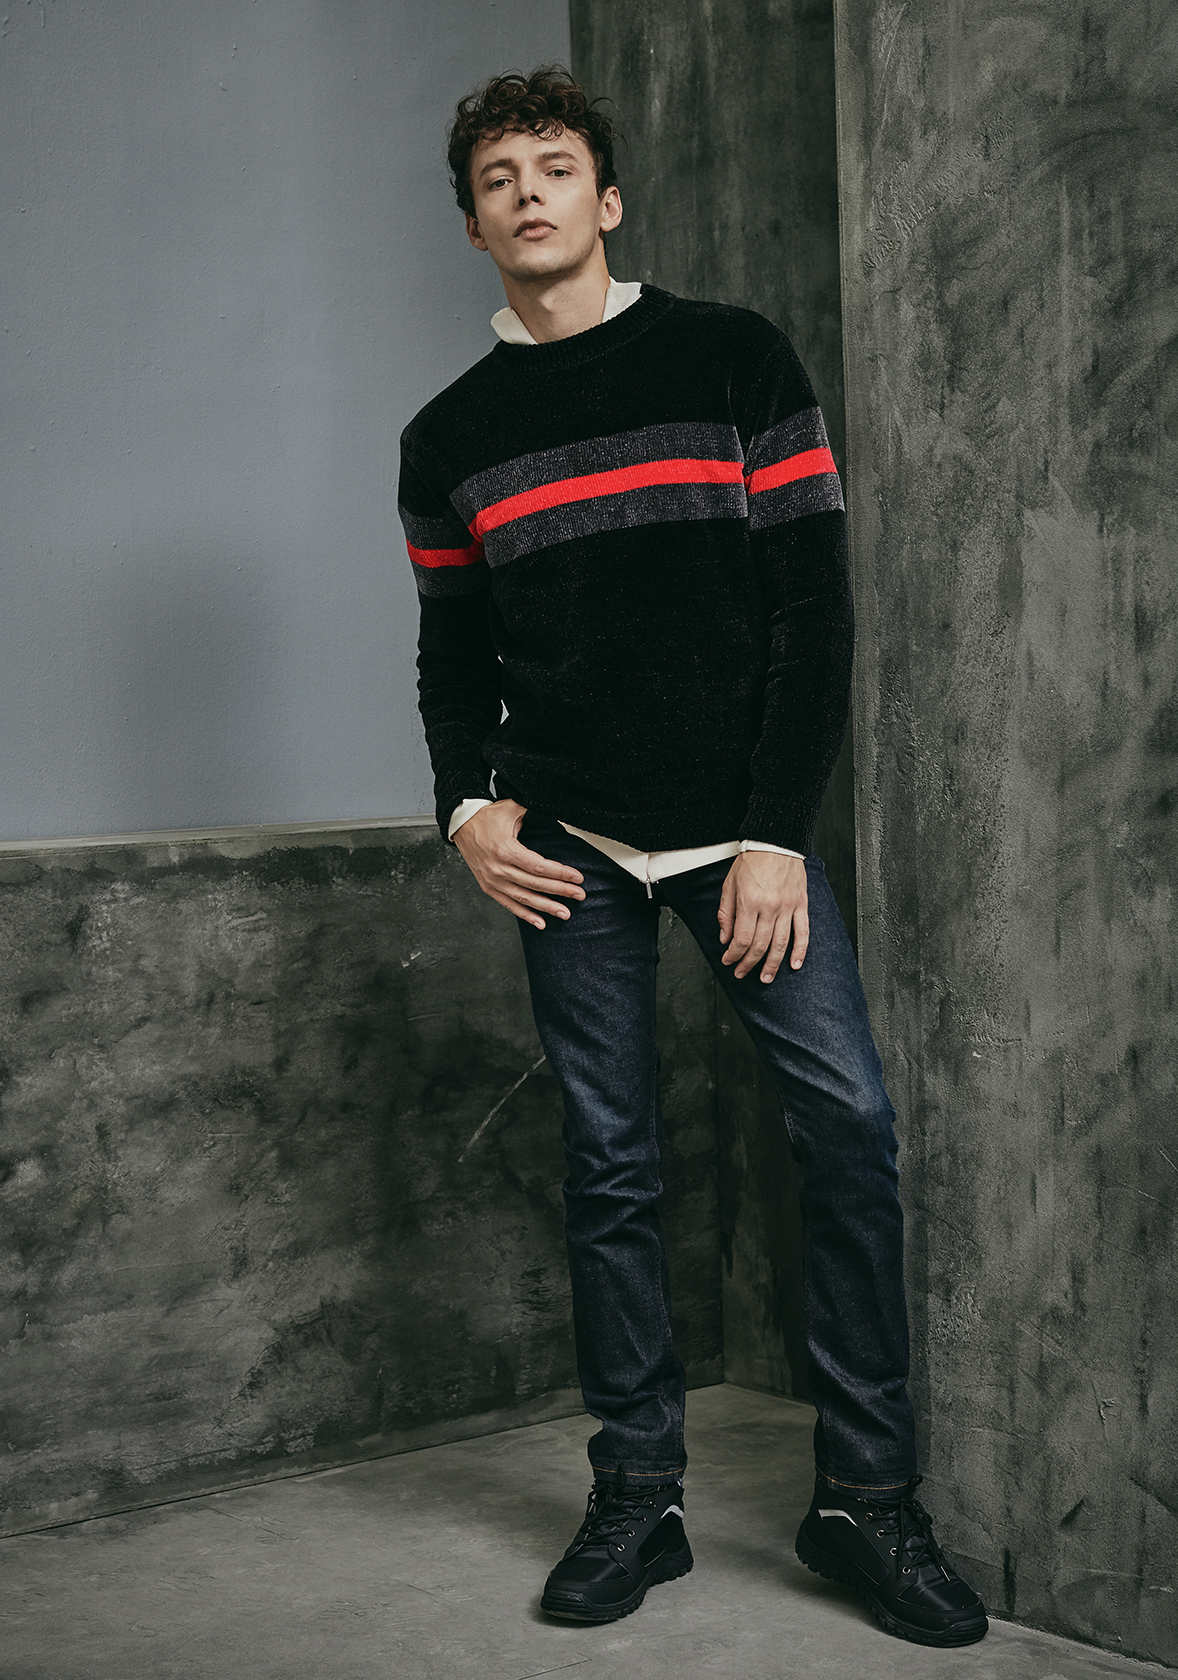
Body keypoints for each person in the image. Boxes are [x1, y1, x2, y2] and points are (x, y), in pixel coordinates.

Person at [398, 64, 988, 1648]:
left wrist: (775, 837)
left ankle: (867, 1502)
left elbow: (813, 614)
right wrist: (466, 810)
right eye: (498, 178)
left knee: (848, 1129)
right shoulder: (446, 437)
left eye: (555, 167)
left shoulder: (734, 357)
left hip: (741, 834)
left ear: (606, 199)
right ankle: (638, 1495)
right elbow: (452, 652)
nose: (528, 193)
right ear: (473, 227)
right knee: (611, 1163)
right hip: (570, 843)